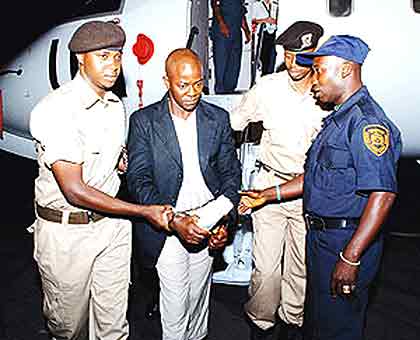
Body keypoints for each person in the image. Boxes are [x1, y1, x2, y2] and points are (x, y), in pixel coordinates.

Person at [239, 35, 402, 340]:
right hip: (323, 240)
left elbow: (383, 194)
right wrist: (267, 195)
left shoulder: (366, 124)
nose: (313, 80)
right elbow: (315, 178)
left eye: (319, 70)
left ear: (344, 71)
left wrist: (351, 257)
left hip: (345, 241)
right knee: (320, 324)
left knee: (338, 329)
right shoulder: (338, 119)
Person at [29, 20, 173, 340]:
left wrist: (117, 163)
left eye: (117, 56)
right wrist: (143, 211)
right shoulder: (58, 109)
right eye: (104, 56)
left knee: (113, 325)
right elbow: (75, 190)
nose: (113, 65)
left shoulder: (114, 106)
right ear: (81, 59)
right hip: (68, 236)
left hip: (111, 229)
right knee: (69, 328)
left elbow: (104, 162)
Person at [126, 48, 241, 340]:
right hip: (167, 225)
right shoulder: (144, 121)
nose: (193, 92)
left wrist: (223, 221)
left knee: (198, 298)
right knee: (176, 304)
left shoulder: (217, 118)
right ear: (167, 81)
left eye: (199, 84)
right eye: (183, 84)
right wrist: (174, 219)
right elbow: (139, 180)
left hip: (208, 218)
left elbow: (231, 175)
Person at [230, 21, 325, 340]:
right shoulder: (267, 87)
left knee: (300, 270)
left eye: (301, 56)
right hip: (267, 188)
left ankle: (292, 323)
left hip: (305, 193)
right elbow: (234, 122)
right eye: (287, 54)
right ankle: (260, 324)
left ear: (315, 56)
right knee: (266, 270)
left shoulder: (325, 92)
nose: (292, 62)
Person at [210, 0, 251, 94]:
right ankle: (220, 91)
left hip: (236, 31)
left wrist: (246, 31)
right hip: (222, 31)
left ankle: (230, 90)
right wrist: (221, 24)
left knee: (235, 63)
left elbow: (241, 14)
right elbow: (215, 5)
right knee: (221, 62)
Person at [252, 0, 278, 76]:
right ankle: (263, 75)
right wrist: (265, 20)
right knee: (263, 57)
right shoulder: (257, 5)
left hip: (274, 34)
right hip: (262, 35)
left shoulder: (275, 5)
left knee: (273, 57)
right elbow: (252, 20)